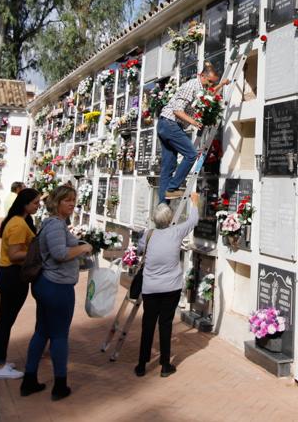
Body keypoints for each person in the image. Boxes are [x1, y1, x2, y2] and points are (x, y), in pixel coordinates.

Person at [20, 184, 93, 400]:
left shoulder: (57, 224)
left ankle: (29, 380)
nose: (71, 204)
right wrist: (83, 248)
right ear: (56, 202)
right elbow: (60, 253)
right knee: (59, 335)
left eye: (73, 200)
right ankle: (60, 386)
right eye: (66, 200)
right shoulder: (54, 225)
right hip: (56, 287)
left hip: (49, 285)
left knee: (42, 332)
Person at [135, 187, 200, 378]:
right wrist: (194, 201)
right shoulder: (176, 232)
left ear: (155, 219)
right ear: (170, 217)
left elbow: (140, 252)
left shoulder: (148, 235)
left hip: (150, 289)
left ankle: (141, 365)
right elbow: (193, 221)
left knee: (147, 325)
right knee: (165, 325)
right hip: (170, 289)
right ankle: (165, 365)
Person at [0, 188, 40, 380]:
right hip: (12, 275)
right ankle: (0, 366)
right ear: (24, 204)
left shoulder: (17, 220)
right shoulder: (18, 225)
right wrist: (39, 253)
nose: (38, 205)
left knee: (3, 319)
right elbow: (15, 255)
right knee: (6, 320)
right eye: (35, 203)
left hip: (6, 274)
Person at [157, 62, 223, 203]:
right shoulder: (191, 86)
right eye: (209, 82)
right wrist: (194, 122)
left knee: (168, 167)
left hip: (166, 124)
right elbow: (177, 111)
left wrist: (222, 84)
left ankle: (162, 206)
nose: (210, 85)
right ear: (201, 76)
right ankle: (173, 188)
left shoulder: (201, 87)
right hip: (170, 123)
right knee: (191, 154)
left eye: (213, 83)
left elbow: (208, 95)